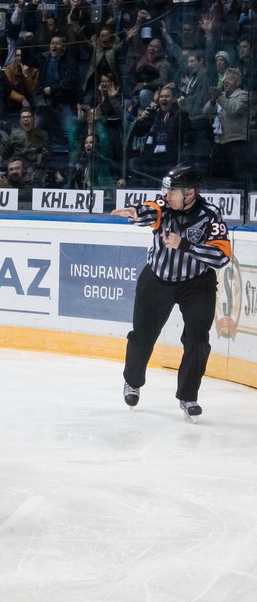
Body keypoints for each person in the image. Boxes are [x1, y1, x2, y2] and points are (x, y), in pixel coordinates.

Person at [110, 166, 233, 422]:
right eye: (165, 190)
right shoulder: (163, 207)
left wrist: (185, 244)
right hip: (157, 279)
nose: (166, 195)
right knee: (142, 336)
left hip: (197, 284)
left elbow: (222, 256)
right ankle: (132, 381)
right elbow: (148, 210)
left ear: (190, 193)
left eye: (172, 191)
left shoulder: (210, 215)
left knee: (198, 341)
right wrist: (133, 213)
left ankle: (188, 396)